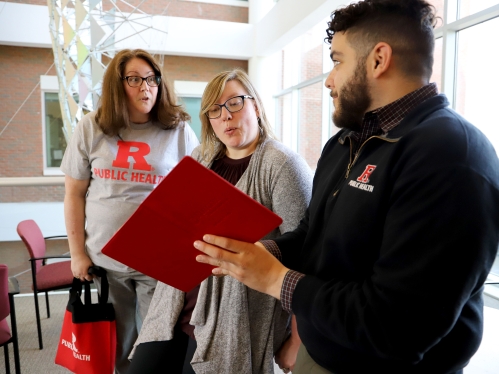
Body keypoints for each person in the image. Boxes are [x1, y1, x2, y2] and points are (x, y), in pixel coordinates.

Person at [194, 1, 499, 373]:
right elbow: (313, 235)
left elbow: (398, 326)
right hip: (322, 349)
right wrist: (261, 251)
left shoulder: (451, 155)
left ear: (378, 59)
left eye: (337, 61)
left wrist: (276, 279)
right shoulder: (344, 144)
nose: (328, 79)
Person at [128, 69, 313, 374]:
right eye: (215, 109)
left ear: (256, 106)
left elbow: (306, 255)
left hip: (231, 318)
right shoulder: (202, 156)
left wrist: (298, 338)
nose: (225, 116)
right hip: (174, 304)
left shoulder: (282, 164)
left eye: (235, 103)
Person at [61, 49, 199, 374]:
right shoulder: (91, 128)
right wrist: (76, 253)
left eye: (151, 79)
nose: (145, 87)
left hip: (158, 261)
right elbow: (73, 195)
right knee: (118, 345)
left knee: (156, 344)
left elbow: (195, 191)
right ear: (116, 85)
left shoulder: (177, 130)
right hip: (105, 260)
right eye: (134, 79)